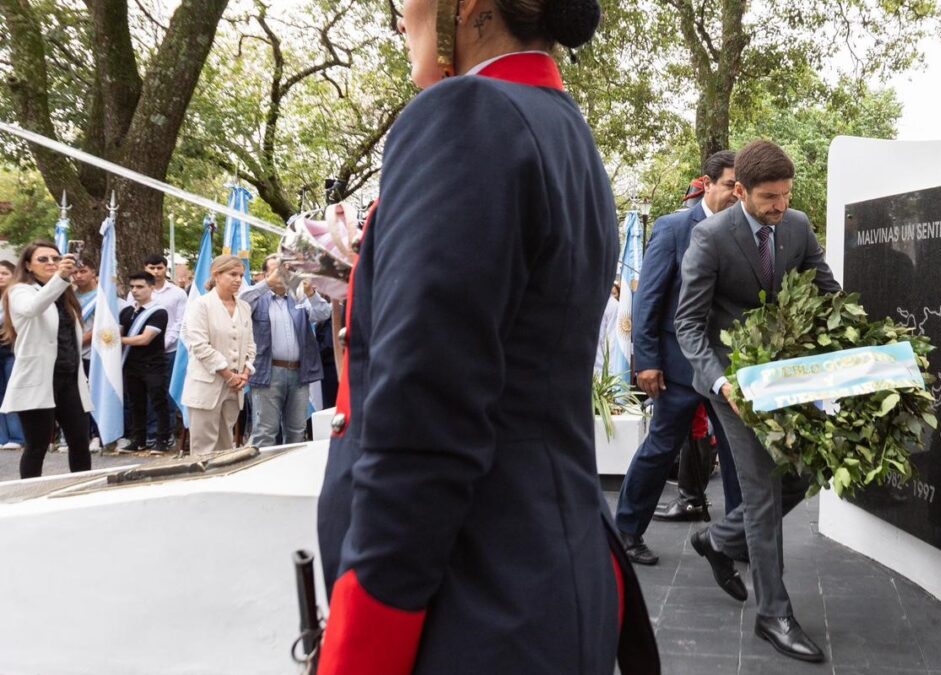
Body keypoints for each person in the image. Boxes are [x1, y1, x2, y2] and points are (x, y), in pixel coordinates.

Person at [315, 0, 658, 673]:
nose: (398, 18)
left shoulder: (463, 115)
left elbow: (423, 421)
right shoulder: (560, 126)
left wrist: (359, 655)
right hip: (543, 580)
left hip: (473, 600)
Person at [675, 140, 840, 663]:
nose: (781, 205)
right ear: (741, 191)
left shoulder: (798, 226)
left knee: (805, 472)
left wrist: (861, 344)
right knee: (763, 490)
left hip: (786, 377)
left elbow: (828, 292)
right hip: (734, 385)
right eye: (770, 197)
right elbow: (688, 325)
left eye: (786, 194)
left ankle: (718, 539)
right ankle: (773, 614)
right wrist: (723, 385)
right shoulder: (709, 237)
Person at [615, 150, 744, 566]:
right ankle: (627, 532)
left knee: (739, 454)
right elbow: (649, 299)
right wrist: (647, 360)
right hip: (677, 368)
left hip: (728, 370)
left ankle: (738, 537)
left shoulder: (746, 231)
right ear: (707, 184)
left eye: (740, 187)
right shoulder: (673, 229)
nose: (736, 194)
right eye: (730, 185)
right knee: (660, 448)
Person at [0, 241, 92, 479]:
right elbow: (33, 308)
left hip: (70, 377)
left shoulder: (65, 292)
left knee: (80, 441)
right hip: (38, 378)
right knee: (37, 445)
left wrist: (62, 281)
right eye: (43, 259)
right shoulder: (20, 290)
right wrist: (61, 278)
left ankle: (82, 491)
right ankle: (30, 494)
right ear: (28, 265)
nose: (51, 263)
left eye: (55, 258)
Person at [240, 256, 330, 448]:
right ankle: (264, 468)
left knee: (297, 431)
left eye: (286, 271)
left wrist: (311, 293)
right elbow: (241, 303)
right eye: (276, 270)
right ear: (265, 274)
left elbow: (323, 313)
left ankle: (292, 466)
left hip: (299, 373)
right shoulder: (257, 298)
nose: (282, 275)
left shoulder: (298, 297)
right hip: (268, 373)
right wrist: (267, 284)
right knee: (265, 432)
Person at [180, 255, 255, 457]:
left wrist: (245, 373)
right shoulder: (200, 305)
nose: (238, 280)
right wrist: (228, 375)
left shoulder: (244, 307)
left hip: (234, 388)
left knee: (226, 447)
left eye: (241, 275)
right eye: (233, 274)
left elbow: (250, 345)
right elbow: (199, 346)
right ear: (217, 275)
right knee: (204, 450)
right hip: (206, 386)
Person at [128, 253, 186, 445]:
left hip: (168, 350)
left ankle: (165, 435)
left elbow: (180, 322)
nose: (155, 271)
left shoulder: (177, 293)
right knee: (139, 397)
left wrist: (165, 342)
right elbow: (131, 320)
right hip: (139, 352)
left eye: (159, 268)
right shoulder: (133, 293)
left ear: (165, 269)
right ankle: (144, 435)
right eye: (151, 268)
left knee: (163, 395)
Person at [118, 271, 171, 454]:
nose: (135, 290)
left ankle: (162, 439)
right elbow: (117, 332)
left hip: (153, 364)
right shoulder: (126, 311)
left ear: (151, 287)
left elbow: (144, 339)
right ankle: (138, 440)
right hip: (131, 364)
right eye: (132, 287)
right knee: (136, 403)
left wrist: (118, 341)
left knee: (158, 402)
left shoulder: (159, 312)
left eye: (140, 287)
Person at [72, 258, 105, 450]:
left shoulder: (101, 296)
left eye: (83, 271)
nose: (78, 276)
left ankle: (97, 435)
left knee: (93, 395)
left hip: (93, 353)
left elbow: (101, 326)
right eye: (75, 272)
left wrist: (78, 341)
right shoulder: (69, 295)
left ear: (93, 272)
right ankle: (80, 435)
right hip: (72, 354)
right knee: (76, 397)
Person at [0, 260, 25, 450]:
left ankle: (17, 437)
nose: (0, 277)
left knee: (13, 391)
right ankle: (3, 437)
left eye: (4, 273)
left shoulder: (18, 296)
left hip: (12, 349)